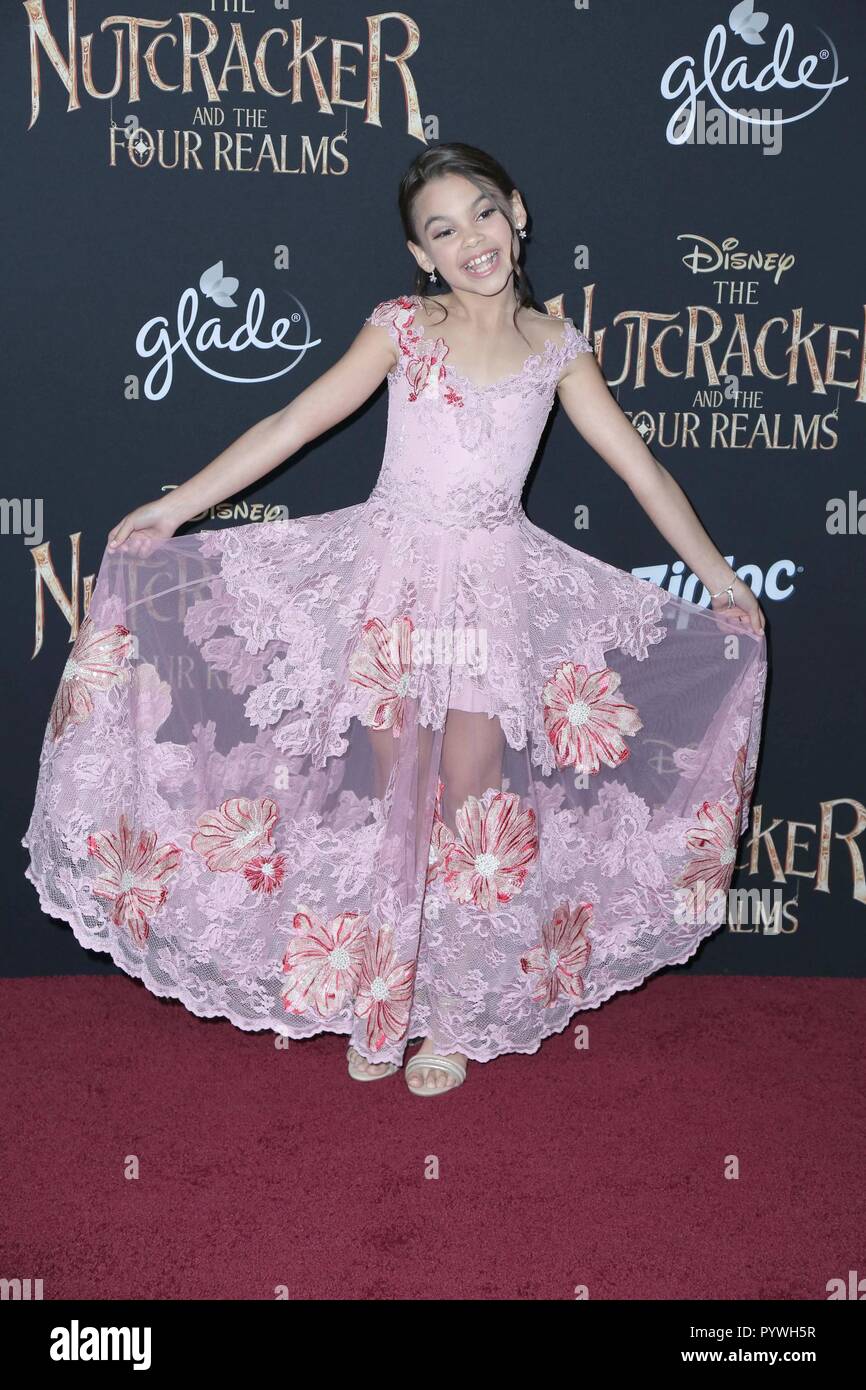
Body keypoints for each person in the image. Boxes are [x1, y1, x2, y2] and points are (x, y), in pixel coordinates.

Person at [22, 142, 767, 1098]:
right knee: (394, 795)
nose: (472, 241)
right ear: (421, 255)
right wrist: (178, 507)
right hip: (389, 587)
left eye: (484, 214)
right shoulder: (402, 330)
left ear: (519, 213)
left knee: (472, 799)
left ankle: (454, 1018)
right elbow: (295, 422)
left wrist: (718, 578)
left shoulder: (557, 349)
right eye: (443, 230)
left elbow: (640, 469)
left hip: (494, 595)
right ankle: (384, 995)